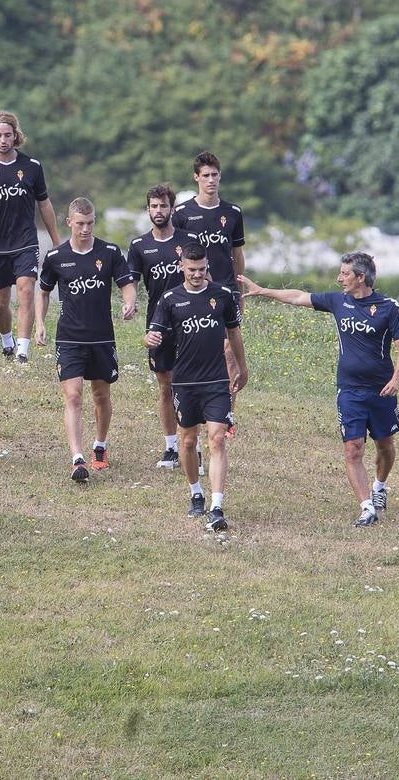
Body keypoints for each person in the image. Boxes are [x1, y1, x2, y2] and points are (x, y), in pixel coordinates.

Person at [239, 252, 399, 528]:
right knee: (353, 449)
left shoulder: (389, 307)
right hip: (349, 390)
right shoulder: (337, 301)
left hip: (382, 391)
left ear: (360, 277)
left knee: (385, 446)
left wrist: (397, 378)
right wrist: (263, 291)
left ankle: (379, 487)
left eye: (344, 274)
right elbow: (298, 297)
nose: (339, 278)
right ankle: (367, 507)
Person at [146, 243, 248, 530]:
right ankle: (196, 493)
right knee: (188, 442)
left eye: (202, 270)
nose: (197, 275)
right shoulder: (169, 300)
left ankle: (217, 506)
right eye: (192, 270)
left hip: (216, 380)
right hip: (185, 382)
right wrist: (149, 341)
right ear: (181, 266)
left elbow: (234, 334)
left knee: (216, 439)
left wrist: (241, 366)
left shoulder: (222, 296)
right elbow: (153, 333)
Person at [36, 197, 137, 483]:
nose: (85, 229)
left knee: (101, 395)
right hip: (69, 338)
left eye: (90, 223)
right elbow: (43, 291)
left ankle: (100, 446)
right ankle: (77, 458)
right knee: (73, 396)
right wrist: (40, 323)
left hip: (102, 337)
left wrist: (128, 303)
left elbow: (126, 283)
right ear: (69, 223)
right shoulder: (56, 257)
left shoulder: (109, 252)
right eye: (80, 224)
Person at [0, 111, 61, 363]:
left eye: (8, 135)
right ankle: (7, 340)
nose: (3, 140)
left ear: (16, 136)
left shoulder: (32, 167)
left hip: (26, 241)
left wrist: (57, 241)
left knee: (26, 290)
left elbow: (45, 205)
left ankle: (22, 350)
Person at [173, 151, 246, 436]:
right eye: (206, 175)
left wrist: (239, 290)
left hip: (225, 291)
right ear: (196, 178)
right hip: (193, 293)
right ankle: (196, 408)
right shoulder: (182, 214)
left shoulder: (233, 213)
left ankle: (227, 414)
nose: (211, 180)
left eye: (215, 175)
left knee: (229, 351)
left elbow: (238, 254)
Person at [127, 184, 199, 470]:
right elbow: (129, 282)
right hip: (158, 326)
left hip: (192, 322)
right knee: (165, 385)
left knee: (192, 385)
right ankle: (171, 448)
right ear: (148, 210)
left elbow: (204, 277)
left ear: (172, 209)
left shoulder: (189, 240)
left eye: (163, 206)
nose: (158, 211)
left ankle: (195, 447)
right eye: (154, 206)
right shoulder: (138, 246)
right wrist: (129, 303)